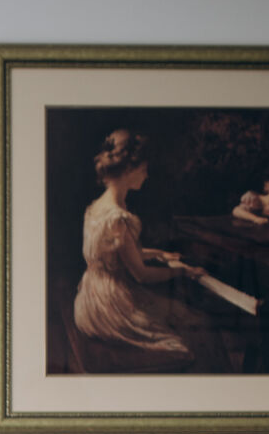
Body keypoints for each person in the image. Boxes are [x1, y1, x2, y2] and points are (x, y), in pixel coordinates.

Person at [73, 128, 208, 369]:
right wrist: (183, 272)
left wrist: (159, 254)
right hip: (109, 307)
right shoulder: (118, 217)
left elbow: (116, 256)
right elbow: (141, 275)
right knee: (185, 339)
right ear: (129, 170)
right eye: (144, 169)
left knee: (182, 317)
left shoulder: (96, 207)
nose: (146, 175)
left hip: (89, 299)